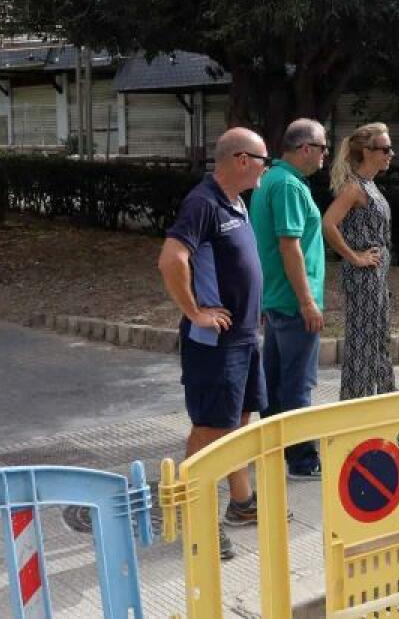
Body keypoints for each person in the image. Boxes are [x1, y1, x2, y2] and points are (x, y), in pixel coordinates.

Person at [158, 127, 269, 560]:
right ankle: (193, 519)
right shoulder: (203, 202)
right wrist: (195, 311)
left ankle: (242, 504)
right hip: (215, 343)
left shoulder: (237, 201)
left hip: (243, 337)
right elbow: (171, 259)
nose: (266, 166)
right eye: (264, 158)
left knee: (237, 422)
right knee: (209, 429)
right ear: (241, 159)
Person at [249, 119, 328, 480]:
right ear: (305, 148)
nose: (326, 154)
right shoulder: (289, 187)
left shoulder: (271, 180)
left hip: (277, 298)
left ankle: (271, 447)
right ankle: (301, 459)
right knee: (298, 382)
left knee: (275, 378)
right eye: (323, 147)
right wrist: (308, 301)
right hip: (294, 302)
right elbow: (288, 244)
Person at [322, 122, 396, 399]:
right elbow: (328, 224)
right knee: (364, 340)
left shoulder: (370, 185)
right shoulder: (355, 187)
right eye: (385, 149)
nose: (391, 154)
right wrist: (355, 257)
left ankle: (380, 396)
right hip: (364, 276)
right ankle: (357, 401)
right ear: (367, 151)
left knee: (378, 337)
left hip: (377, 275)